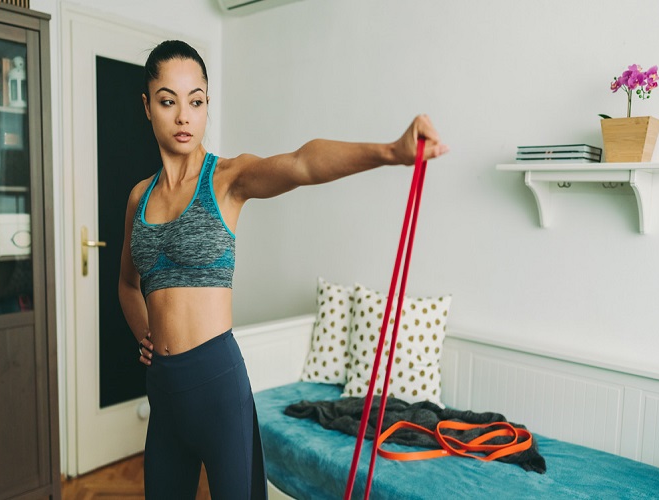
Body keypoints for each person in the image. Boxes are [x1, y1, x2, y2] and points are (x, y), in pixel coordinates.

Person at [118, 40, 449, 500]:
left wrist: (390, 152)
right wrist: (144, 334)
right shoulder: (139, 197)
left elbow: (301, 163)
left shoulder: (228, 179)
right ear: (147, 106)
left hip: (217, 384)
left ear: (207, 105)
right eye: (168, 101)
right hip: (164, 392)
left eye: (196, 101)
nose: (183, 116)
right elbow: (128, 283)